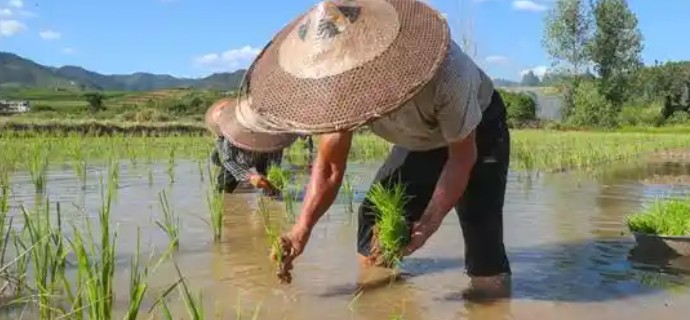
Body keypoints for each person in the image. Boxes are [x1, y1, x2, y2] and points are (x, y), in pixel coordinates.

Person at [233, 0, 511, 299]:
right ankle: (383, 300)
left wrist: (429, 222)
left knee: (481, 236)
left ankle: (492, 303)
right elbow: (329, 168)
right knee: (376, 218)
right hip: (419, 138)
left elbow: (461, 157)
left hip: (477, 130)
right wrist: (301, 229)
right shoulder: (339, 86)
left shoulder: (447, 74)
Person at [205, 98, 302, 196]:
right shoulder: (229, 135)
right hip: (236, 158)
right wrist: (249, 176)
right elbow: (227, 160)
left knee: (273, 183)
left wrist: (270, 183)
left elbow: (274, 161)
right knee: (224, 186)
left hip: (260, 157)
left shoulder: (273, 137)